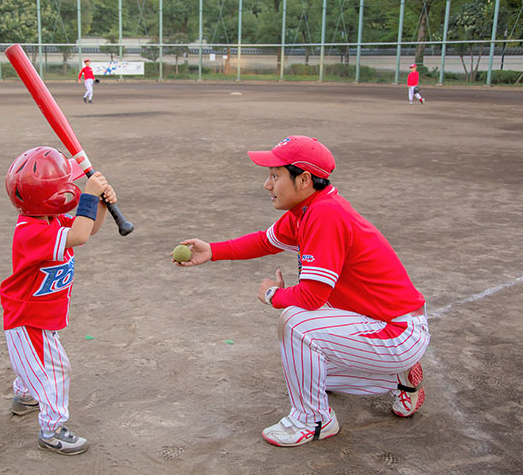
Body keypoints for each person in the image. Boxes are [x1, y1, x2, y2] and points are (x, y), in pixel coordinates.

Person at [174, 136, 430, 448]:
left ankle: (314, 420)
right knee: (312, 372)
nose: (267, 185)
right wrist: (212, 251)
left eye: (275, 175)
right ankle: (401, 379)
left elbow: (311, 297)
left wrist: (272, 295)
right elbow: (264, 242)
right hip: (384, 321)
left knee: (296, 323)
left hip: (397, 331)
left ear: (304, 180)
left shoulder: (324, 215)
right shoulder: (309, 209)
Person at [0, 146, 117, 455]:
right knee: (55, 370)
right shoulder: (30, 231)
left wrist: (101, 205)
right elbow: (79, 236)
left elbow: (87, 228)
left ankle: (25, 395)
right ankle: (51, 430)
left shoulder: (51, 219)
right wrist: (90, 196)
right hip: (28, 321)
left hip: (42, 316)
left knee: (36, 366)